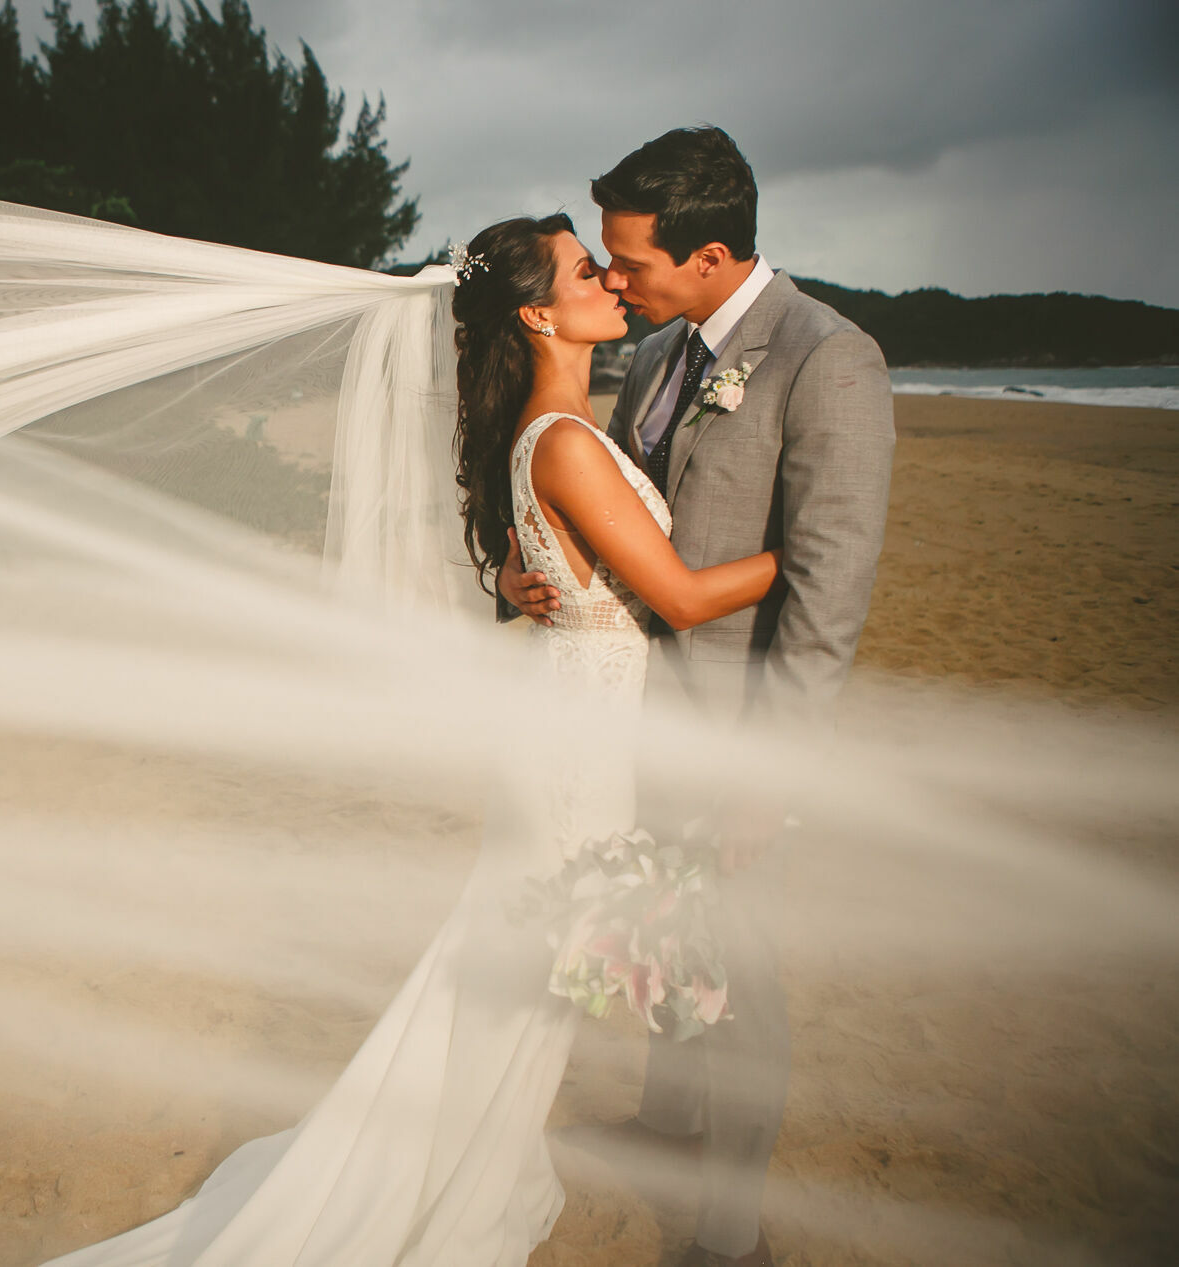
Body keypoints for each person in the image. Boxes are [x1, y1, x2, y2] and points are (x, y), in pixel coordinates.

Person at [40, 209, 786, 1265]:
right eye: (585, 271)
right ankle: (444, 1182)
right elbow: (679, 594)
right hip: (575, 758)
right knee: (523, 989)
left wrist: (547, 590)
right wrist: (798, 551)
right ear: (537, 310)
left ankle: (463, 1157)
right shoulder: (564, 443)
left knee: (515, 985)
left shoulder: (559, 432)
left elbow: (581, 575)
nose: (609, 283)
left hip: (572, 739)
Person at [500, 126, 896, 1267]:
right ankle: (666, 1120)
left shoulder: (829, 359)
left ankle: (730, 1236)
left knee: (745, 982)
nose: (615, 279)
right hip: (640, 719)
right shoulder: (667, 348)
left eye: (631, 262)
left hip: (736, 737)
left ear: (712, 254)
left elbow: (827, 594)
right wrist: (544, 578)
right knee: (667, 939)